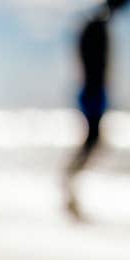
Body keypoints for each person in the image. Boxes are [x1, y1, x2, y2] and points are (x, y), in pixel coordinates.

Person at [65, 0, 128, 221]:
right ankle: (68, 189)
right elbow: (94, 65)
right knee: (93, 139)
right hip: (93, 92)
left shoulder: (96, 24)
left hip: (93, 91)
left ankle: (70, 191)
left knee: (93, 140)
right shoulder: (97, 25)